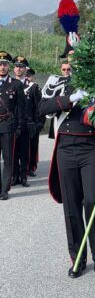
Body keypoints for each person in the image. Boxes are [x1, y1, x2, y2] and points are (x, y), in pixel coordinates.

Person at [39, 61, 95, 278]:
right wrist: (70, 99)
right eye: (69, 58)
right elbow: (43, 108)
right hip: (66, 147)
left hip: (91, 147)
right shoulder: (56, 82)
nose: (72, 64)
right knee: (71, 205)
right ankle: (78, 258)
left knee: (91, 201)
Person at [0, 51, 25, 200]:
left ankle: (4, 190)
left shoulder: (16, 84)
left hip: (8, 126)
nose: (2, 67)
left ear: (8, 66)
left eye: (4, 64)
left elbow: (21, 108)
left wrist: (19, 126)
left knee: (8, 159)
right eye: (0, 64)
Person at [12, 56, 40, 187]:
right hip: (11, 124)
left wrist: (38, 123)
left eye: (21, 67)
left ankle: (23, 177)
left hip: (27, 124)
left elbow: (38, 107)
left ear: (25, 69)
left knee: (25, 152)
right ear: (13, 68)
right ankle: (14, 175)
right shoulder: (9, 84)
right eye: (17, 66)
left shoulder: (33, 87)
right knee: (12, 151)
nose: (19, 69)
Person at [25, 67, 44, 177]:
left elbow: (40, 106)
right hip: (23, 122)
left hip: (34, 121)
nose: (27, 77)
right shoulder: (19, 86)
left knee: (33, 146)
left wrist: (40, 122)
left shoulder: (35, 88)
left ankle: (31, 167)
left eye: (29, 75)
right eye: (26, 75)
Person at [48, 62, 72, 139]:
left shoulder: (75, 83)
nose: (66, 71)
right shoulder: (56, 82)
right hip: (58, 114)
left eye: (68, 69)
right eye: (64, 69)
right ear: (61, 70)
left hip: (71, 115)